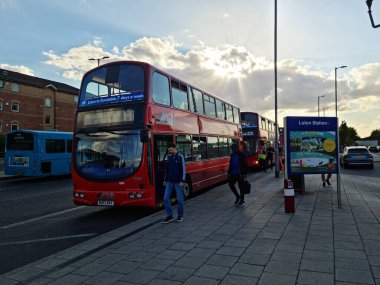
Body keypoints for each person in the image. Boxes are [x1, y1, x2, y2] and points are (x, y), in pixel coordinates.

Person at [162, 142, 186, 224]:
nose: (170, 152)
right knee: (165, 198)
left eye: (171, 150)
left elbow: (183, 169)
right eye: (169, 150)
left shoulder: (180, 157)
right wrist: (165, 179)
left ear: (175, 148)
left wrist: (182, 180)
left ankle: (180, 215)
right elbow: (167, 170)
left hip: (178, 183)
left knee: (180, 200)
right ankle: (170, 215)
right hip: (169, 182)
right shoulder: (169, 157)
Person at [228, 143, 248, 207]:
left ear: (237, 148)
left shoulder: (242, 155)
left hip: (240, 174)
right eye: (232, 149)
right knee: (231, 185)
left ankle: (242, 201)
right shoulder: (232, 155)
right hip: (233, 173)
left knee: (241, 188)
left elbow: (246, 165)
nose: (233, 150)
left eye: (233, 148)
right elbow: (230, 164)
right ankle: (238, 196)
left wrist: (245, 174)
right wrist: (229, 172)